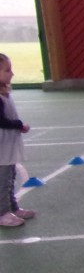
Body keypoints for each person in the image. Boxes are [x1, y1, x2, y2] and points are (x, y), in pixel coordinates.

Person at [0, 53, 34, 227]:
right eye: (7, 70)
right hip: (2, 147)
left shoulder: (5, 93)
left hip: (9, 145)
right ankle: (2, 213)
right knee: (3, 180)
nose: (11, 73)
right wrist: (19, 124)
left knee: (11, 176)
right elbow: (1, 120)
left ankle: (13, 207)